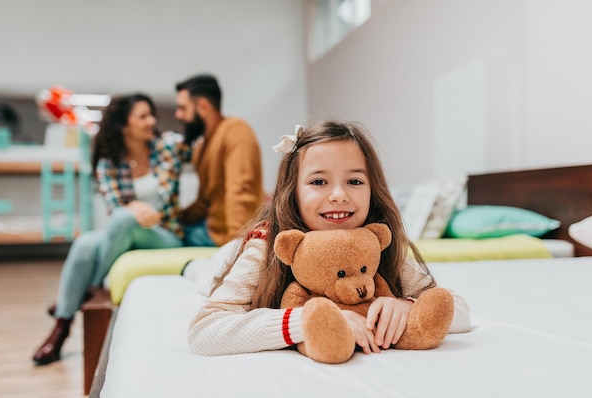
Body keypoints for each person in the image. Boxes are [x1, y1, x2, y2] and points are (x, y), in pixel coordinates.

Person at [187, 119, 471, 356]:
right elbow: (204, 332)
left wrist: (407, 307)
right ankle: (192, 265)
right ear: (293, 192)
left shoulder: (376, 243)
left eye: (355, 181)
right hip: (227, 256)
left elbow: (459, 310)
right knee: (205, 273)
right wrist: (308, 320)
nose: (339, 195)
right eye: (318, 182)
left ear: (373, 192)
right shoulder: (264, 248)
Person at [32, 93, 191, 365]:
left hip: (165, 235)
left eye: (151, 114)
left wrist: (132, 212)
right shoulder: (109, 162)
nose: (152, 120)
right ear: (124, 125)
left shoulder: (167, 147)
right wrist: (133, 209)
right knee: (85, 243)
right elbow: (116, 206)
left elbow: (204, 145)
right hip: (127, 230)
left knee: (120, 221)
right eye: (143, 116)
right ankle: (61, 328)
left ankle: (87, 290)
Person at [174, 74, 264, 247]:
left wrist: (238, 246)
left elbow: (240, 191)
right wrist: (173, 219)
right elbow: (203, 203)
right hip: (208, 230)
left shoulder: (236, 132)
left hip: (227, 237)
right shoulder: (200, 149)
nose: (178, 115)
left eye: (183, 108)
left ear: (203, 106)